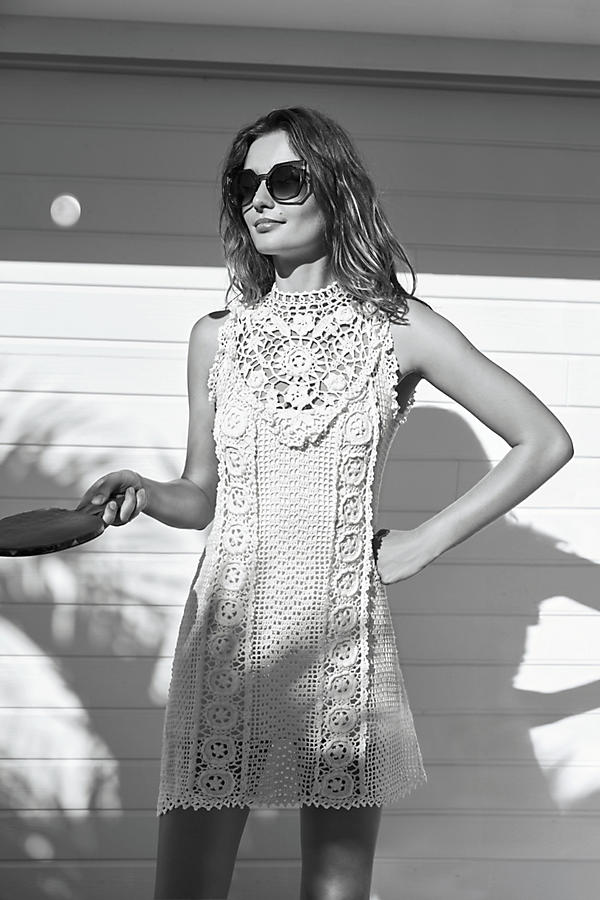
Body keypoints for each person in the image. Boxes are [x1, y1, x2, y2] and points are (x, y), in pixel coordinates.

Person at [76, 106, 574, 900]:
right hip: (226, 640)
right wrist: (147, 492)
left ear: (336, 189)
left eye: (285, 179)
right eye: (245, 184)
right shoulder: (215, 336)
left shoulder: (401, 329)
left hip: (342, 640)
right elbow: (202, 495)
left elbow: (543, 441)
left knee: (335, 892)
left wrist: (420, 544)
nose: (258, 200)